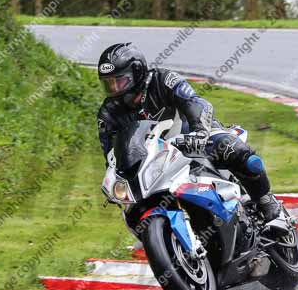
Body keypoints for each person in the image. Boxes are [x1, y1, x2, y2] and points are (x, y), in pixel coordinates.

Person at [97, 42, 281, 222]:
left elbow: (195, 103)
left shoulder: (163, 80)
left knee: (235, 151)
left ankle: (265, 199)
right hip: (156, 161)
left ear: (136, 73)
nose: (113, 89)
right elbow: (111, 154)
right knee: (133, 211)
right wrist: (114, 178)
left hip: (194, 137)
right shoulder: (108, 112)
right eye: (108, 84)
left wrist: (199, 132)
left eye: (119, 82)